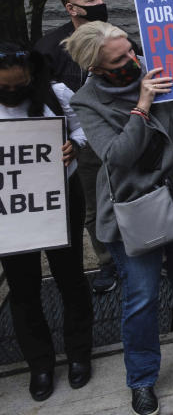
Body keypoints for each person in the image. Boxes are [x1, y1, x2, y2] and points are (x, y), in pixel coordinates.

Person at [64, 22, 173, 415]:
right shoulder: (87, 100)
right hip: (134, 210)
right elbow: (118, 159)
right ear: (97, 67)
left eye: (132, 50)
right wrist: (142, 103)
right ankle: (141, 378)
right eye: (120, 58)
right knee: (141, 299)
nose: (133, 60)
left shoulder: (162, 70)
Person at [0, 43, 94, 401]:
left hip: (60, 199)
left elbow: (84, 127)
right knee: (23, 289)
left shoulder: (55, 93)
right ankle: (39, 365)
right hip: (11, 208)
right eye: (3, 87)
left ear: (31, 77)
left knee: (70, 279)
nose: (11, 93)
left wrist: (74, 145)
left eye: (18, 85)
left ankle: (79, 355)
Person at [34, 0, 120, 293]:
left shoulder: (117, 39)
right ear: (71, 8)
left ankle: (149, 254)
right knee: (94, 208)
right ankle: (109, 262)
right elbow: (42, 100)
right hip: (82, 145)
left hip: (123, 135)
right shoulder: (48, 49)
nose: (100, 2)